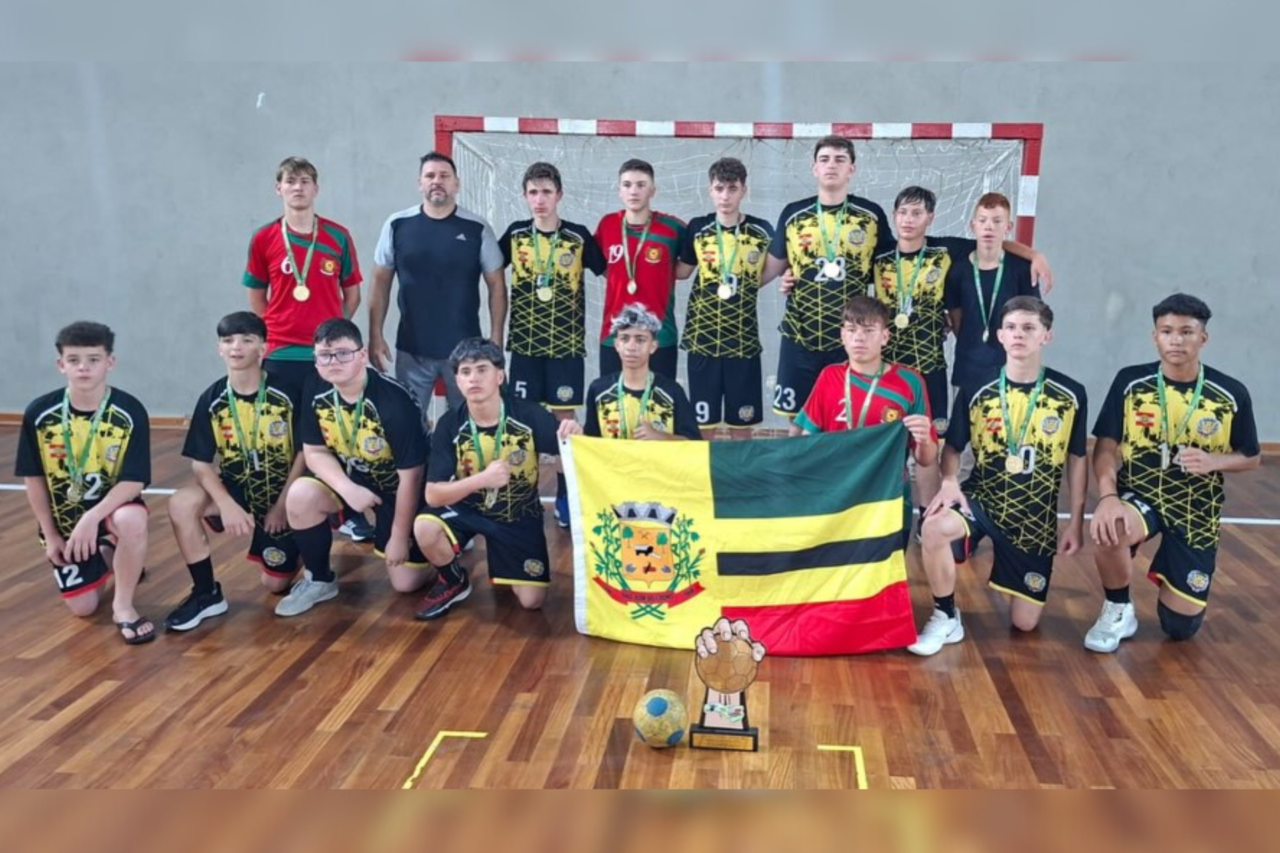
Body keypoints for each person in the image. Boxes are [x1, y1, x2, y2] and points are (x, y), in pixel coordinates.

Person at [908, 297, 1087, 655]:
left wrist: (1077, 521)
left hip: (1033, 517)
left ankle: (1008, 571)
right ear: (1001, 336)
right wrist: (948, 482)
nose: (1018, 335)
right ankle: (946, 616)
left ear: (1046, 336)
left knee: (1024, 624)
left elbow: (1078, 458)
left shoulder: (1071, 394)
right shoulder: (977, 388)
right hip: (984, 498)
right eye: (1011, 328)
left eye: (1028, 328)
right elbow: (954, 448)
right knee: (933, 527)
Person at [872, 186, 1054, 533]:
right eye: (903, 213)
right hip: (889, 370)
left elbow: (992, 242)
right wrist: (790, 279)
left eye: (917, 213)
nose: (909, 220)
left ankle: (936, 519)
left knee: (935, 449)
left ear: (931, 218)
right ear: (894, 216)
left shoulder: (947, 252)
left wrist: (1034, 254)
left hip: (932, 368)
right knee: (891, 448)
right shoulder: (879, 256)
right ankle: (887, 521)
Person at [1085, 294, 1260, 652]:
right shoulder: (1130, 382)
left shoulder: (1230, 393)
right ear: (1155, 337)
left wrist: (1215, 462)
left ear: (1203, 339)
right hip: (1141, 495)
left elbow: (1251, 456)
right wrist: (1107, 497)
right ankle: (1118, 608)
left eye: (1186, 332)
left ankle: (1174, 584)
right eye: (1167, 331)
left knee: (1179, 628)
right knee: (1109, 527)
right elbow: (1104, 447)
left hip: (1196, 509)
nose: (1176, 340)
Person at [243, 155, 372, 543]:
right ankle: (285, 504)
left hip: (327, 359)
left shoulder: (337, 236)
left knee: (335, 432)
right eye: (290, 181)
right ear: (278, 188)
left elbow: (352, 294)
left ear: (316, 188)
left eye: (305, 181)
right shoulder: (264, 238)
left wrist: (331, 334)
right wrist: (276, 329)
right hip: (281, 353)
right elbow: (255, 295)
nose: (297, 187)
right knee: (287, 436)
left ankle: (344, 510)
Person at [414, 338, 583, 619]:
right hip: (467, 508)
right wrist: (482, 480)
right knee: (425, 527)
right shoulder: (449, 424)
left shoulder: (529, 415)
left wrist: (576, 432)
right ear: (457, 380)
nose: (474, 378)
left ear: (500, 375)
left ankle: (502, 555)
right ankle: (453, 580)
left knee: (532, 601)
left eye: (482, 369)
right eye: (466, 372)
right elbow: (432, 495)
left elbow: (572, 453)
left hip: (517, 515)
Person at [276, 319, 431, 617]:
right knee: (301, 494)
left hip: (397, 487)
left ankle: (438, 556)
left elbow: (411, 476)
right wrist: (348, 489)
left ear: (362, 356)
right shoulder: (316, 385)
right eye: (325, 355)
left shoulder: (394, 401)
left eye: (343, 353)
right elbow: (315, 451)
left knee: (404, 582)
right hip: (351, 480)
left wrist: (399, 537)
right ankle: (319, 579)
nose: (333, 362)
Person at [163, 312, 306, 632]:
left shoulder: (288, 392)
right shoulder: (212, 398)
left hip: (282, 493)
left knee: (274, 584)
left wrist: (282, 505)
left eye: (246, 340)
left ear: (263, 348)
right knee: (181, 502)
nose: (236, 346)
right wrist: (225, 503)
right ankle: (205, 593)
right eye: (228, 340)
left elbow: (304, 454)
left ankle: (305, 554)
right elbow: (200, 463)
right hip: (237, 489)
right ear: (219, 349)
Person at [15, 321, 154, 644]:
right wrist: (51, 535)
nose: (83, 368)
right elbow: (33, 479)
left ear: (110, 362)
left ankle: (124, 607)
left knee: (131, 518)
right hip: (66, 521)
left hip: (109, 511)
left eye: (93, 359)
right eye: (74, 360)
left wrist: (92, 518)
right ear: (60, 364)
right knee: (84, 608)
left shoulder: (129, 411)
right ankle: (111, 554)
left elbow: (134, 482)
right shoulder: (39, 413)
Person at [498, 162, 606, 528]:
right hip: (525, 346)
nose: (539, 199)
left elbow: (612, 271)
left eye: (546, 192)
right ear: (525, 196)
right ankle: (523, 492)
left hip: (566, 347)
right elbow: (489, 272)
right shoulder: (514, 235)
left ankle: (565, 494)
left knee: (565, 421)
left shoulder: (577, 236)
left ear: (559, 195)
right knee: (522, 422)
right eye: (533, 192)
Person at [369, 151, 506, 416]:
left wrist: (497, 337)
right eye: (430, 176)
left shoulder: (477, 228)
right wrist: (376, 334)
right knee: (409, 422)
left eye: (444, 176)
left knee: (467, 424)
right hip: (412, 349)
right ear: (419, 183)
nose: (437, 181)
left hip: (466, 353)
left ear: (457, 183)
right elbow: (379, 281)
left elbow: (497, 285)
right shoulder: (397, 224)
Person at [793, 296, 937, 545]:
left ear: (884, 337)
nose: (859, 338)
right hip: (836, 496)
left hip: (888, 499)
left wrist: (924, 440)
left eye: (869, 331)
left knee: (887, 577)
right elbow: (807, 443)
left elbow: (926, 459)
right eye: (852, 330)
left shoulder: (910, 382)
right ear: (842, 336)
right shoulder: (829, 377)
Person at [674, 157, 777, 439]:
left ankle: (739, 482)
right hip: (702, 339)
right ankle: (702, 482)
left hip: (742, 341)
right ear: (710, 190)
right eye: (719, 188)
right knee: (702, 424)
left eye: (732, 188)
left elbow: (778, 266)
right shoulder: (698, 227)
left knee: (740, 424)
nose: (725, 196)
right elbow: (682, 272)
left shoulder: (762, 230)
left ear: (744, 190)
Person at [593, 159, 687, 380]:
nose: (633, 191)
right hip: (614, 336)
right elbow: (604, 268)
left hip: (659, 337)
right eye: (627, 185)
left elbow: (690, 267)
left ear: (653, 190)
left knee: (659, 408)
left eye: (641, 185)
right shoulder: (607, 225)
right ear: (619, 191)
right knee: (613, 409)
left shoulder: (674, 229)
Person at [944, 192, 1041, 394]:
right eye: (983, 220)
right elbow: (956, 320)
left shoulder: (1023, 269)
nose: (989, 227)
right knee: (965, 424)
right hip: (968, 367)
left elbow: (1033, 319)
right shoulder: (958, 270)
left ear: (1008, 227)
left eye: (997, 221)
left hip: (1011, 368)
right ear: (973, 225)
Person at [584, 305, 702, 441]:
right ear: (616, 345)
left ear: (653, 346)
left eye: (640, 340)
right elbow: (590, 444)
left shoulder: (672, 392)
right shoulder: (598, 390)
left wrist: (660, 436)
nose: (631, 347)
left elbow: (695, 445)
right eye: (624, 339)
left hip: (657, 462)